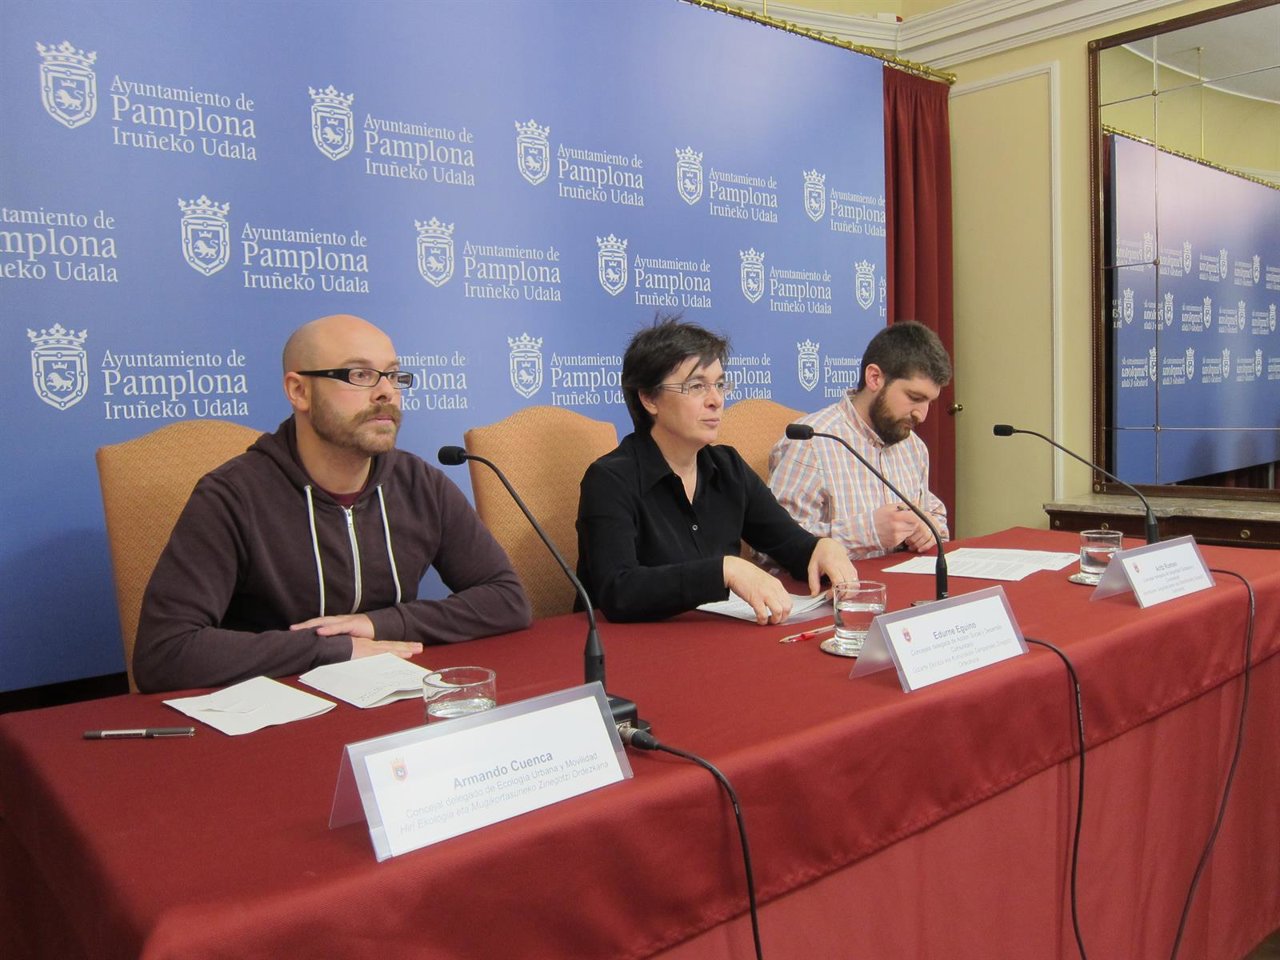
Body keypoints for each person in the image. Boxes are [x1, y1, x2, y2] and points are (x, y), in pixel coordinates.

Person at [133, 314, 532, 693]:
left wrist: (379, 625)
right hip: (272, 715)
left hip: (388, 701)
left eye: (393, 375)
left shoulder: (419, 483)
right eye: (359, 375)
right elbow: (164, 651)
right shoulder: (232, 496)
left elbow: (507, 599)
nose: (386, 392)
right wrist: (332, 648)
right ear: (299, 391)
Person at [576, 316, 855, 625]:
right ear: (649, 398)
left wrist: (821, 548)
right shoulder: (610, 480)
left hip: (715, 642)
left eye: (720, 385)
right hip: (632, 652)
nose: (716, 400)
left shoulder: (728, 468)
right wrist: (724, 570)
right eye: (697, 386)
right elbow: (618, 591)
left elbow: (790, 545)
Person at [768, 320, 952, 560]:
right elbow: (773, 546)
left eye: (929, 402)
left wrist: (929, 529)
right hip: (836, 593)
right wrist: (868, 533)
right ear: (875, 378)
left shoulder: (913, 446)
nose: (922, 414)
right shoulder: (812, 442)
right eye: (914, 397)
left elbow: (934, 513)